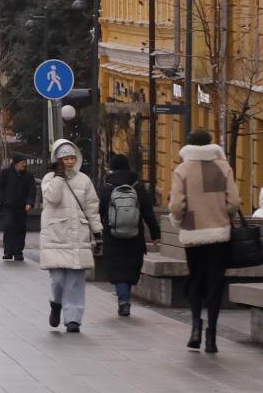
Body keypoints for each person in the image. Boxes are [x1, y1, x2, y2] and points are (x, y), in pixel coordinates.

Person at [168, 128, 240, 354]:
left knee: (196, 280)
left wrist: (179, 220)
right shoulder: (223, 167)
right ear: (210, 144)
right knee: (215, 283)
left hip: (194, 235)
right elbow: (234, 202)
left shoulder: (183, 170)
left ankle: (195, 328)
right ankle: (212, 335)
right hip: (219, 234)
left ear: (189, 144)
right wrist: (221, 213)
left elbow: (176, 206)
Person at [40, 139, 101, 334]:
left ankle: (73, 319)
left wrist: (97, 232)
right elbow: (52, 198)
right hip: (56, 236)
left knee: (76, 279)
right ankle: (56, 303)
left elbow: (92, 208)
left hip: (78, 236)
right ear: (58, 159)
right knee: (57, 279)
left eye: (72, 157)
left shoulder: (84, 180)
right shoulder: (49, 179)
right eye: (65, 158)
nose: (70, 161)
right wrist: (59, 176)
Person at [98, 153, 161, 318]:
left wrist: (95, 232)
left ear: (112, 168)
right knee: (130, 268)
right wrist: (155, 234)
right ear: (128, 167)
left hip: (112, 236)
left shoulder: (107, 187)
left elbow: (98, 212)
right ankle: (126, 297)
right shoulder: (138, 187)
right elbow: (148, 212)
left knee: (117, 268)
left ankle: (123, 299)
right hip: (135, 236)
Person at [0, 154, 36, 261]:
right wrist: (2, 199)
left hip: (21, 207)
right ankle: (8, 251)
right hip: (8, 206)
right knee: (8, 226)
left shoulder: (28, 175)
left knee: (20, 228)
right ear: (15, 164)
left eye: (25, 163)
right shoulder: (5, 173)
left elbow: (32, 190)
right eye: (22, 163)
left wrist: (29, 202)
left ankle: (18, 252)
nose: (24, 165)